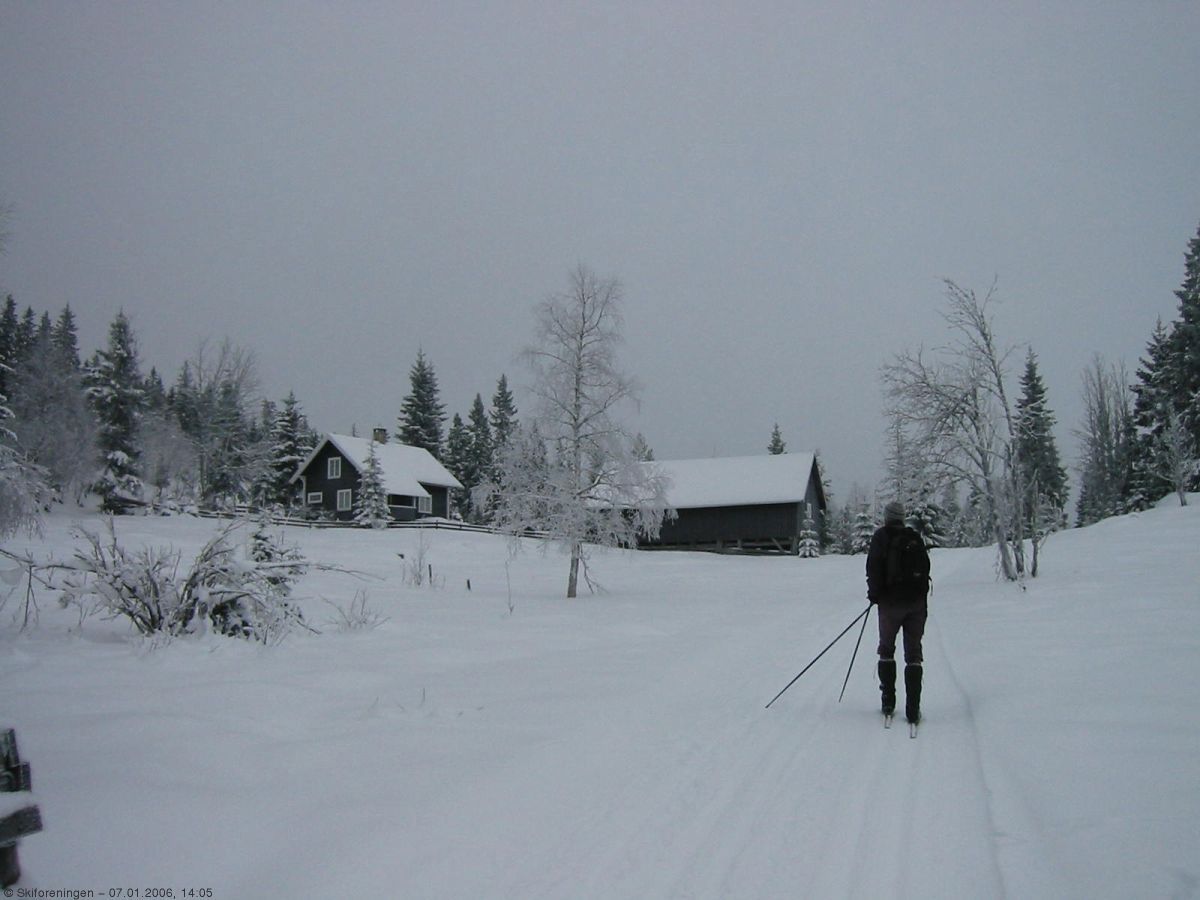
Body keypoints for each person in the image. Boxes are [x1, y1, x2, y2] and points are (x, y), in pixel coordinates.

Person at [866, 501, 930, 724]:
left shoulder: (881, 537)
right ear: (902, 518)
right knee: (913, 654)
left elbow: (873, 568)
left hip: (890, 603)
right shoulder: (914, 538)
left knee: (886, 649)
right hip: (915, 604)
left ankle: (888, 701)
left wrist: (874, 595)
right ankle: (913, 709)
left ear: (886, 517)